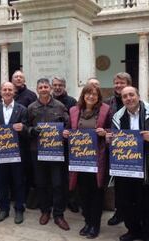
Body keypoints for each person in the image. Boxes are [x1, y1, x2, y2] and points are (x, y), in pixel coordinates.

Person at [107, 86, 149, 241]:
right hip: (127, 168)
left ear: (138, 96)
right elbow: (114, 139)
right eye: (125, 96)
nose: (128, 98)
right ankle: (133, 231)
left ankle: (147, 235)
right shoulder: (117, 116)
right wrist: (110, 140)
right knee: (127, 203)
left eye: (131, 95)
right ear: (122, 99)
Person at [64, 83, 112, 238]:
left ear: (98, 97)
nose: (91, 97)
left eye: (94, 94)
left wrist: (105, 133)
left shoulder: (106, 110)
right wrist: (65, 133)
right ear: (83, 95)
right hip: (79, 159)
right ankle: (87, 222)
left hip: (98, 159)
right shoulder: (74, 111)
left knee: (96, 193)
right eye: (88, 94)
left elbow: (113, 131)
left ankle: (95, 225)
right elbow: (69, 130)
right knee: (83, 192)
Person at [27, 78, 70, 231]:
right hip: (37, 151)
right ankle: (45, 211)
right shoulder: (31, 107)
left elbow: (68, 124)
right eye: (41, 87)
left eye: (46, 87)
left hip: (56, 151)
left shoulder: (60, 106)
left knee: (58, 184)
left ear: (50, 88)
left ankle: (59, 214)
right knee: (41, 183)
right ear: (37, 89)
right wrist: (32, 131)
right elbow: (26, 127)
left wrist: (66, 132)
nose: (44, 89)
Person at [0, 81, 28, 224]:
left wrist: (23, 127)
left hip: (17, 153)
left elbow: (27, 128)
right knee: (2, 181)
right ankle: (4, 209)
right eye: (5, 89)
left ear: (14, 91)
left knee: (18, 182)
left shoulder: (22, 109)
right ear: (1, 92)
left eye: (10, 89)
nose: (8, 92)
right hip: (1, 153)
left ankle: (19, 209)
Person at [104, 72, 132, 226]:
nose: (118, 85)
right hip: (114, 149)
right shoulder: (108, 103)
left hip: (133, 150)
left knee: (132, 184)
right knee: (118, 183)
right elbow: (104, 123)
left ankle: (132, 212)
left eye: (122, 82)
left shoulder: (134, 100)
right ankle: (119, 212)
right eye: (116, 82)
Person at [51, 76, 79, 213]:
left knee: (70, 174)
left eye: (60, 85)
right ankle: (57, 201)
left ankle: (71, 200)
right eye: (55, 85)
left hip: (68, 144)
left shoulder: (72, 101)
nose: (57, 87)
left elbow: (75, 121)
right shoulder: (48, 101)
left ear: (64, 86)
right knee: (56, 176)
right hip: (51, 145)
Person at [11, 70, 38, 209]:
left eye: (21, 77)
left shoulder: (31, 95)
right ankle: (14, 196)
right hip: (7, 142)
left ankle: (27, 197)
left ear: (24, 79)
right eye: (16, 77)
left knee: (26, 171)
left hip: (25, 141)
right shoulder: (6, 94)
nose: (18, 79)